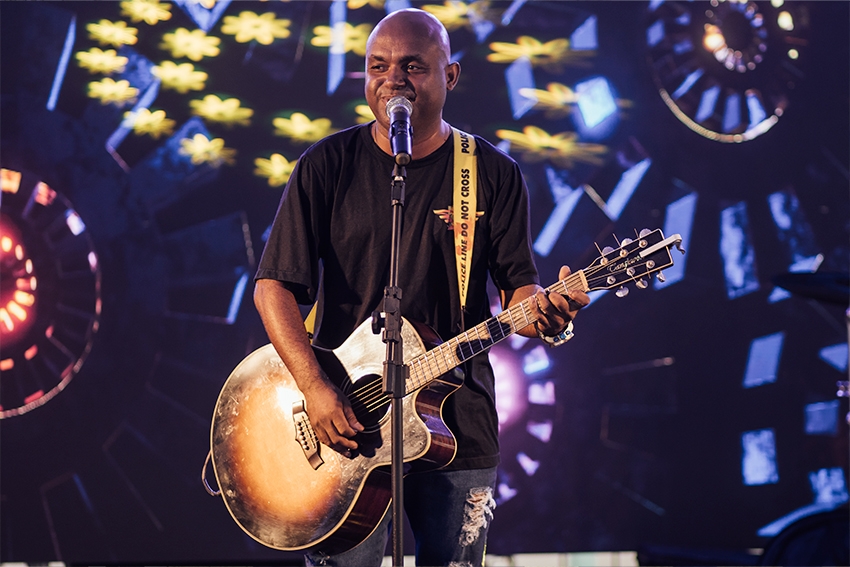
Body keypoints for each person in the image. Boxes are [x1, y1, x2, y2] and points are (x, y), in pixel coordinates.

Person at [253, 8, 589, 567]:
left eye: (413, 66)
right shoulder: (325, 165)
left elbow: (519, 293)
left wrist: (550, 315)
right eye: (377, 66)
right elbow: (274, 288)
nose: (393, 79)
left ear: (449, 76)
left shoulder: (492, 173)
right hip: (348, 424)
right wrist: (314, 387)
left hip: (459, 423)